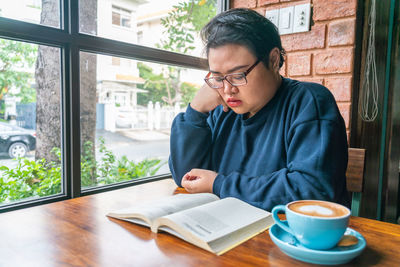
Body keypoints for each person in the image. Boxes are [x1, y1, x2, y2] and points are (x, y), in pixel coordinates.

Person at [168, 8, 350, 211]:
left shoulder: (308, 102)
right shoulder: (223, 109)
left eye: (237, 75)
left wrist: (219, 184)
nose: (228, 89)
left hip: (289, 236)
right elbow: (187, 177)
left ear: (273, 60)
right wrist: (196, 111)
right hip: (229, 228)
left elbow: (310, 189)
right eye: (218, 78)